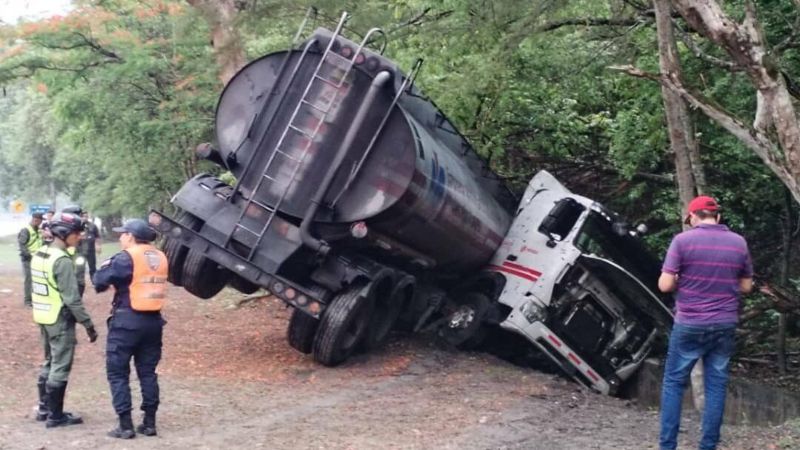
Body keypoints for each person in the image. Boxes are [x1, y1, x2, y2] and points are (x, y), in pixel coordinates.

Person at [657, 196, 753, 450]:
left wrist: (683, 280)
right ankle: (708, 445)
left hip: (690, 323)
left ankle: (668, 446)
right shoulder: (738, 243)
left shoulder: (682, 241)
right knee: (716, 384)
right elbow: (746, 285)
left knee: (674, 382)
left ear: (691, 217)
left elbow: (665, 285)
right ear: (717, 216)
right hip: (724, 324)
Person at [93, 219, 168, 439]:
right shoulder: (160, 256)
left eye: (123, 233)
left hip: (126, 323)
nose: (120, 237)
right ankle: (149, 423)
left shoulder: (126, 257)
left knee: (117, 373)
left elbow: (99, 281)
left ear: (131, 236)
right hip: (153, 322)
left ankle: (125, 425)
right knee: (147, 373)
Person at [30, 212, 98, 428]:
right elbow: (72, 300)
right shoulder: (62, 261)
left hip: (43, 315)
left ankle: (44, 408)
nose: (79, 237)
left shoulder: (41, 254)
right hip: (59, 318)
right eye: (76, 233)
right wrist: (88, 325)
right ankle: (56, 416)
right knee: (60, 365)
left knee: (49, 361)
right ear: (64, 233)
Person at [18, 212, 44, 308]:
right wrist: (29, 256)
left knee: (38, 279)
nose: (41, 223)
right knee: (29, 279)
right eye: (40, 221)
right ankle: (28, 301)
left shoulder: (39, 231)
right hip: (28, 259)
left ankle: (36, 299)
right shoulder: (26, 230)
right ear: (36, 220)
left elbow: (41, 243)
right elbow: (22, 245)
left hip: (38, 259)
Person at [80, 211, 102, 279]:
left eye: (86, 216)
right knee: (80, 268)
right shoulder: (78, 226)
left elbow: (97, 236)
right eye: (83, 216)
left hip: (91, 250)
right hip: (80, 251)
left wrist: (98, 245)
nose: (85, 218)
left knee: (92, 267)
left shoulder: (92, 225)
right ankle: (80, 282)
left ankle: (94, 281)